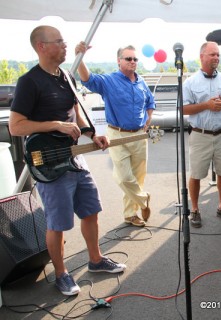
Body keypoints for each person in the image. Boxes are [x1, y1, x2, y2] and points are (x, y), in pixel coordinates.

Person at [9, 25, 126, 296]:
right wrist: (56, 125)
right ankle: (61, 274)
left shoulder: (66, 76)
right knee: (57, 222)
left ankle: (96, 260)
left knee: (91, 209)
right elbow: (16, 127)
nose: (65, 45)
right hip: (49, 163)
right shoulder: (29, 81)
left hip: (74, 159)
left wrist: (90, 134)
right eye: (59, 42)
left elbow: (75, 112)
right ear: (41, 46)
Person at [76, 42, 154, 228]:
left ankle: (130, 215)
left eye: (135, 59)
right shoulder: (109, 81)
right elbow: (88, 79)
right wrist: (80, 58)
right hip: (117, 135)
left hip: (139, 136)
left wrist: (148, 120)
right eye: (128, 58)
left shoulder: (141, 81)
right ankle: (144, 200)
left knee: (138, 177)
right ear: (119, 61)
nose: (133, 62)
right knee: (125, 177)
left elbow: (150, 102)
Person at [182, 41, 221, 228]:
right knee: (197, 174)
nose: (216, 57)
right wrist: (206, 105)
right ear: (202, 57)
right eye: (212, 54)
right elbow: (183, 109)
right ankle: (194, 210)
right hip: (200, 135)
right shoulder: (190, 82)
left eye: (218, 54)